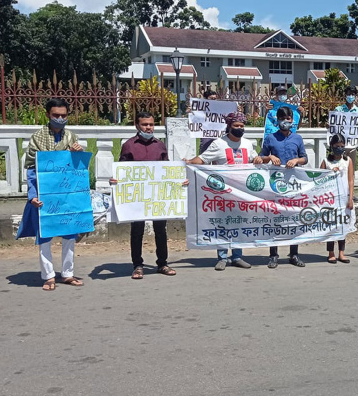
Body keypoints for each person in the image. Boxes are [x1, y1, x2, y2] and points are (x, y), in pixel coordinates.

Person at [16, 98, 85, 291]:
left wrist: (78, 152)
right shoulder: (38, 137)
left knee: (69, 234)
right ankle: (48, 276)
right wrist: (32, 195)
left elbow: (78, 168)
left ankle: (68, 273)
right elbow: (31, 168)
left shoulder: (72, 137)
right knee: (45, 235)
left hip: (66, 193)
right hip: (44, 193)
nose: (60, 119)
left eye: (63, 115)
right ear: (48, 114)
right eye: (56, 115)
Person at [187, 111, 263, 270]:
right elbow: (202, 160)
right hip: (222, 193)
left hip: (241, 193)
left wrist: (258, 159)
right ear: (229, 126)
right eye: (236, 126)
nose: (239, 128)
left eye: (242, 126)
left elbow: (255, 159)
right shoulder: (218, 144)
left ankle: (237, 256)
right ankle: (222, 257)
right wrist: (186, 164)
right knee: (222, 224)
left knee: (239, 224)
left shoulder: (248, 144)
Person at [110, 112, 179, 279]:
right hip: (138, 197)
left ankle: (162, 263)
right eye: (144, 124)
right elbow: (123, 169)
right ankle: (138, 265)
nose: (148, 127)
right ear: (137, 125)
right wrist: (115, 179)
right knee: (137, 230)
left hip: (157, 196)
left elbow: (167, 170)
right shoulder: (129, 145)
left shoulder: (160, 145)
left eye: (151, 124)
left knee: (160, 230)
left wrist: (178, 182)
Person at [259, 106, 308, 268]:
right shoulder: (270, 138)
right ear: (277, 120)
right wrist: (270, 157)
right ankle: (273, 255)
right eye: (282, 118)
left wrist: (296, 161)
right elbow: (260, 158)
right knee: (275, 220)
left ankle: (294, 253)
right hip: (275, 185)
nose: (285, 121)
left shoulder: (298, 138)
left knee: (294, 219)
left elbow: (305, 159)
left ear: (292, 120)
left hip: (294, 185)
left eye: (288, 119)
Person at [319, 133, 354, 264]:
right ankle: (331, 252)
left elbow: (351, 180)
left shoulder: (347, 161)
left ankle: (341, 252)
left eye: (342, 146)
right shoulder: (326, 161)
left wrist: (350, 198)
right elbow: (319, 179)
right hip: (330, 199)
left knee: (343, 225)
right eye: (337, 146)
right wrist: (329, 172)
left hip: (344, 198)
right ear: (332, 146)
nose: (339, 148)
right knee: (331, 226)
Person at [198, 89, 220, 154]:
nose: (213, 100)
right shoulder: (200, 107)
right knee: (204, 153)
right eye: (211, 98)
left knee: (217, 154)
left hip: (218, 134)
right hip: (206, 134)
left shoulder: (220, 107)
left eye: (215, 98)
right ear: (205, 98)